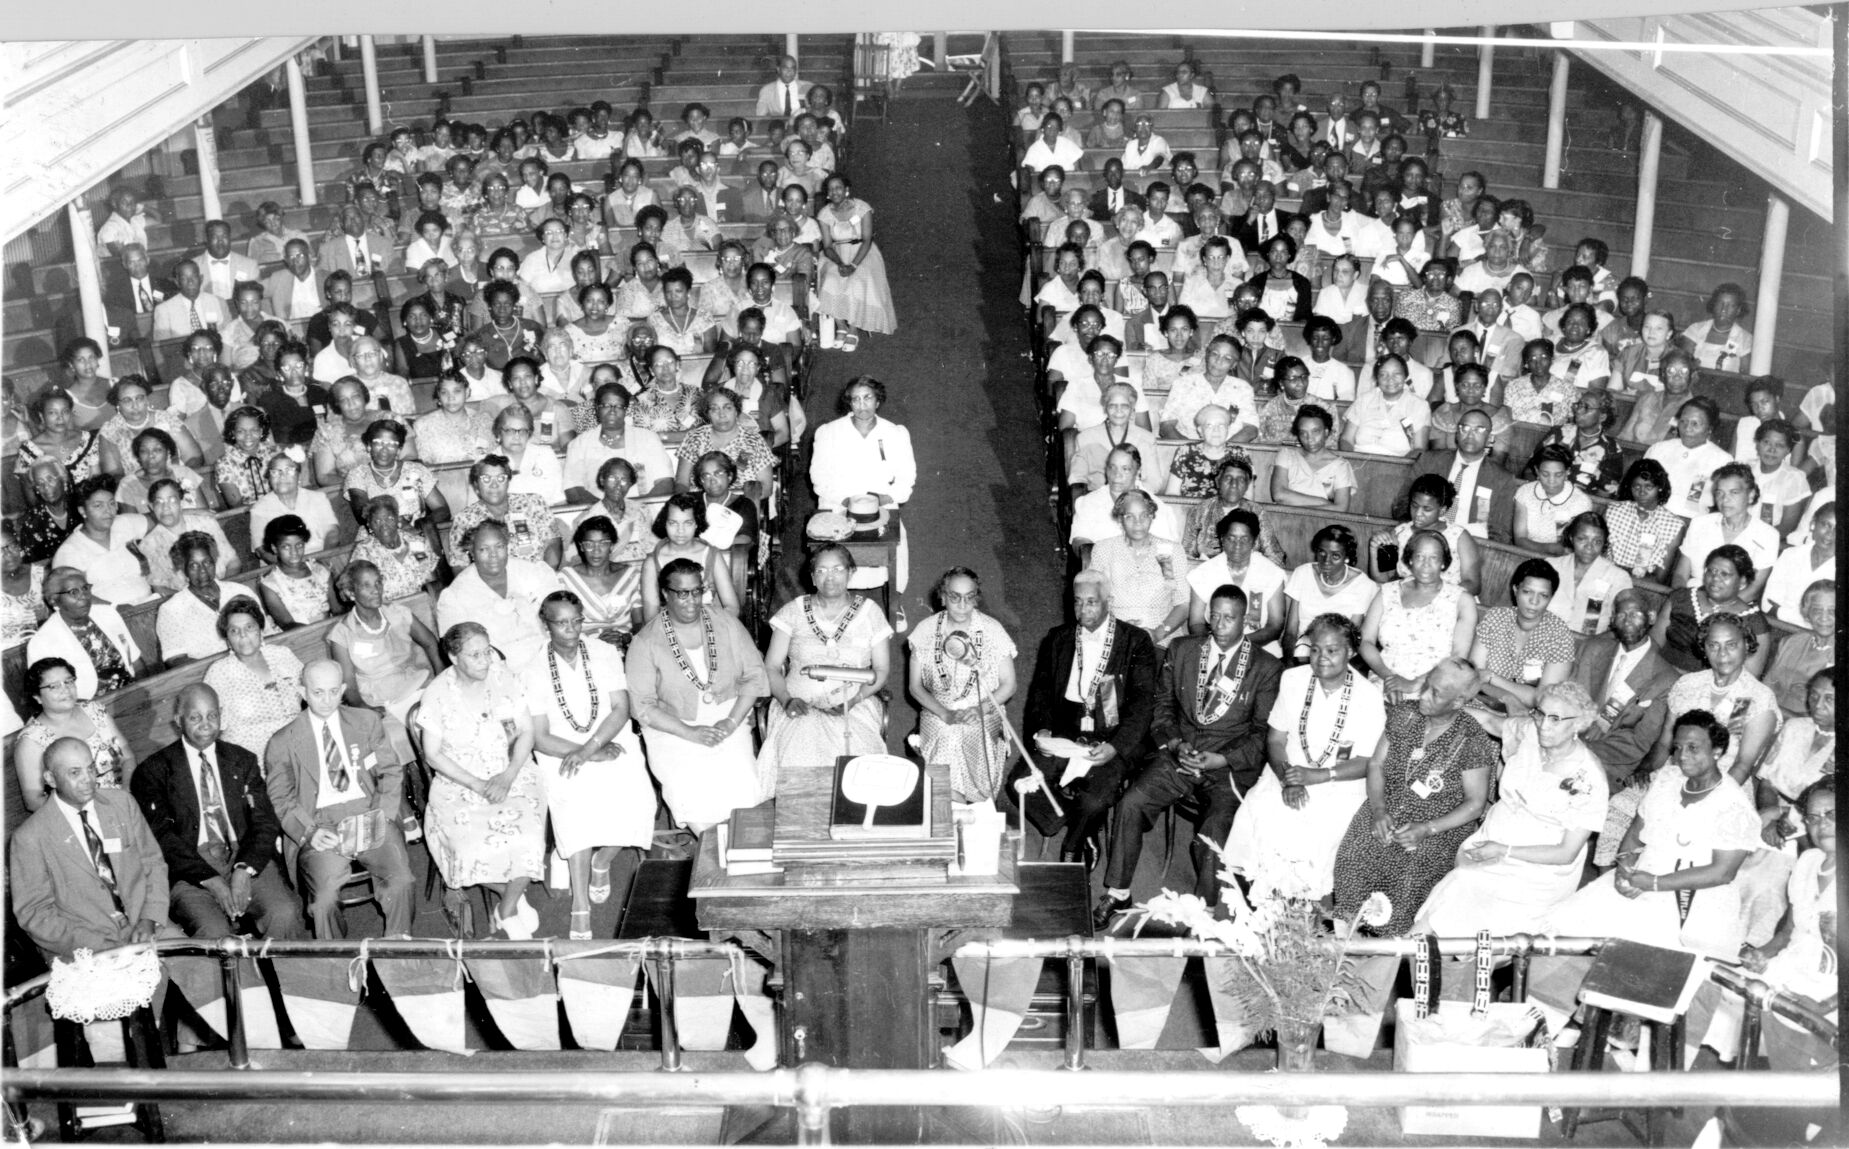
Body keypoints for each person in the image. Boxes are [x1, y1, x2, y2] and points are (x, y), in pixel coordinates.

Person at [1531, 710, 1760, 1023]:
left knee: (1635, 945)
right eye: (1677, 748)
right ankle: (1549, 1021)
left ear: (1717, 751)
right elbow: (1636, 833)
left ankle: (1612, 1034)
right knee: (1565, 927)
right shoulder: (1668, 779)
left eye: (1694, 748)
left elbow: (1723, 872)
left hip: (1691, 894)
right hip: (1641, 875)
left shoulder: (1734, 805)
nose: (1682, 755)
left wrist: (1652, 883)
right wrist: (1624, 871)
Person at [1095, 584, 1283, 925]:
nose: (1221, 624)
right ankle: (1118, 891)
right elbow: (1162, 708)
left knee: (1217, 826)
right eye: (1215, 615)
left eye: (1230, 618)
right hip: (1180, 753)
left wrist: (1222, 759)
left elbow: (1262, 734)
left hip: (1227, 765)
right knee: (1131, 802)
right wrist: (1175, 744)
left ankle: (1205, 911)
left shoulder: (1266, 667)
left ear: (1246, 621)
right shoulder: (1182, 650)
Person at [1416, 680, 1608, 939]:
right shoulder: (1530, 732)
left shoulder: (1588, 778)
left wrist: (1504, 851)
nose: (1544, 725)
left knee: (1455, 896)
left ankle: (1395, 962)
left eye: (1556, 719)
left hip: (1537, 871)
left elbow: (1566, 853)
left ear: (1578, 724)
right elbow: (1487, 720)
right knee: (1450, 908)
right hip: (1490, 842)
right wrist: (1437, 706)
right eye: (1540, 714)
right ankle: (1409, 963)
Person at [1224, 613, 1387, 900]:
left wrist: (1319, 776)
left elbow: (1370, 763)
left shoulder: (1368, 696)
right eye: (1314, 649)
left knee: (1312, 832)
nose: (1321, 657)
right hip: (1287, 772)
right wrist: (1289, 779)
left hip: (1341, 784)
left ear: (1350, 652)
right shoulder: (1293, 679)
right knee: (1257, 812)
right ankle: (1258, 906)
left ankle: (1298, 911)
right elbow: (1275, 738)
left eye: (1332, 650)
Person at [519, 592, 652, 940]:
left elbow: (620, 709)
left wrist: (594, 745)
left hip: (611, 737)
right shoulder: (531, 669)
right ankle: (580, 903)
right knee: (576, 808)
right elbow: (540, 736)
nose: (571, 629)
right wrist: (585, 754)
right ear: (545, 624)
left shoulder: (605, 652)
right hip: (561, 750)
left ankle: (603, 861)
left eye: (577, 621)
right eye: (561, 622)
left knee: (640, 804)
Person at [130, 684, 305, 941]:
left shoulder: (242, 760)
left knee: (284, 912)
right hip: (190, 869)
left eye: (212, 716)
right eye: (195, 717)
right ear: (178, 720)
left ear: (221, 716)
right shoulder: (153, 771)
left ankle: (291, 980)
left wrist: (244, 870)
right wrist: (210, 879)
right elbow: (161, 838)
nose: (205, 724)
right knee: (214, 936)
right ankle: (245, 982)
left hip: (243, 855)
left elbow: (264, 822)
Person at [1685, 776, 1836, 1072]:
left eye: (1832, 814)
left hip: (1828, 993)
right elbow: (1789, 932)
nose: (1821, 825)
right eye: (1813, 818)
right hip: (1789, 970)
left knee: (1779, 1029)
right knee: (1704, 984)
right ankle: (1670, 1089)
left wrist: (1825, 1008)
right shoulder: (1808, 862)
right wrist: (1761, 954)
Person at [1012, 570, 1157, 866]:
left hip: (1111, 736)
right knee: (1018, 783)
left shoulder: (1136, 641)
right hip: (1066, 731)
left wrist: (1116, 746)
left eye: (1092, 602)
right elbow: (1040, 693)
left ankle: (1074, 846)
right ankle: (1081, 823)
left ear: (1108, 602)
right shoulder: (1058, 638)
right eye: (1077, 602)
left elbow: (1142, 706)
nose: (1083, 609)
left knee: (1094, 800)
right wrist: (1042, 730)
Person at [265, 659, 415, 940]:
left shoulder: (366, 721)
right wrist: (309, 832)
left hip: (368, 811)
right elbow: (281, 798)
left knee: (401, 881)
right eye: (318, 692)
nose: (327, 700)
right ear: (302, 691)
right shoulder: (282, 741)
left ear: (344, 689)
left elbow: (390, 771)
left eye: (334, 691)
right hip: (319, 822)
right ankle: (337, 956)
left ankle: (398, 947)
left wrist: (380, 815)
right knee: (323, 901)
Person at [415, 624, 545, 939]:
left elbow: (527, 731)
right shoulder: (437, 693)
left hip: (512, 770)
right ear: (452, 657)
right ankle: (511, 896)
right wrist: (475, 784)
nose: (486, 660)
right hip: (460, 779)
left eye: (487, 651)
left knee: (528, 838)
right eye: (475, 655)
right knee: (468, 845)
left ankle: (507, 907)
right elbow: (432, 755)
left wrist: (509, 774)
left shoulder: (504, 677)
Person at [626, 558, 769, 832]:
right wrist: (689, 733)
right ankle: (711, 855)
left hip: (728, 716)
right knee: (690, 790)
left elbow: (754, 676)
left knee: (743, 785)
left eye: (696, 591)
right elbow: (643, 707)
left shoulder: (726, 623)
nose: (691, 600)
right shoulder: (646, 641)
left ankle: (741, 853)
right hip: (671, 727)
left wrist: (731, 721)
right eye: (682, 593)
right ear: (665, 594)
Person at [10, 736, 175, 961]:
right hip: (84, 949)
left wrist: (149, 919)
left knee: (203, 980)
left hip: (144, 927)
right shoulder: (29, 837)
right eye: (75, 773)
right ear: (51, 779)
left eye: (91, 768)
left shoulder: (122, 803)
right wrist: (96, 946)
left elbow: (153, 863)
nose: (88, 779)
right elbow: (34, 914)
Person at [760, 545, 895, 777]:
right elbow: (771, 666)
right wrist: (786, 700)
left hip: (853, 705)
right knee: (799, 761)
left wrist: (855, 700)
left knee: (857, 766)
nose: (829, 577)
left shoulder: (871, 612)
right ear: (812, 577)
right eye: (821, 571)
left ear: (851, 572)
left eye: (837, 569)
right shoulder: (793, 611)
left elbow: (881, 670)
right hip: (798, 705)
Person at [908, 568, 1019, 805]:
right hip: (940, 707)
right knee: (947, 738)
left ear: (976, 598)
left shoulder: (992, 630)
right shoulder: (925, 630)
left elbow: (1009, 685)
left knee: (973, 734)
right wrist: (944, 713)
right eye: (955, 596)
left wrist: (981, 708)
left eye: (969, 597)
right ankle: (951, 806)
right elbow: (915, 687)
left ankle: (978, 803)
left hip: (983, 707)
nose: (962, 604)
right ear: (943, 597)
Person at [326, 559, 441, 763]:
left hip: (416, 686)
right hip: (381, 702)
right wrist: (365, 709)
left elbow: (431, 643)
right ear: (351, 593)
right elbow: (349, 688)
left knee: (446, 722)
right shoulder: (342, 634)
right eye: (366, 585)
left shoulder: (398, 613)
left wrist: (443, 680)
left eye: (378, 582)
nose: (376, 590)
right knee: (391, 741)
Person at [1652, 612, 1782, 789]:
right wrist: (1647, 772)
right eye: (1713, 645)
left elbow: (1742, 766)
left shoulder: (1757, 698)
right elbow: (1664, 743)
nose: (1722, 654)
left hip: (1725, 786)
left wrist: (1703, 798)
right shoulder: (1688, 684)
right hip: (1673, 775)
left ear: (1746, 645)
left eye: (1731, 645)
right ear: (1704, 649)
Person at [1569, 588, 1681, 790]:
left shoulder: (1666, 679)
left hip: (1610, 766)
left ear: (1651, 617)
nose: (1628, 620)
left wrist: (1581, 751)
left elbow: (1639, 742)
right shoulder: (1591, 649)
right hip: (1566, 742)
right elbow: (1568, 701)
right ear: (1612, 620)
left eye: (1636, 614)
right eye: (1621, 614)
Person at [13, 656, 135, 814]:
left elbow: (127, 756)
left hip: (123, 800)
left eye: (69, 681)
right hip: (81, 815)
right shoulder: (31, 740)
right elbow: (33, 801)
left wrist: (125, 792)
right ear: (37, 697)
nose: (65, 690)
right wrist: (89, 810)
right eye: (54, 686)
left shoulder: (94, 711)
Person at [437, 519, 559, 669]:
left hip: (548, 657)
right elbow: (458, 652)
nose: (493, 555)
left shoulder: (532, 572)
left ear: (507, 546)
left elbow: (559, 614)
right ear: (472, 553)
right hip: (497, 669)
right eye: (484, 549)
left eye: (499, 547)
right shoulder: (456, 596)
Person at [1393, 407, 1520, 543]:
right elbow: (1403, 504)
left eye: (1479, 430)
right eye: (1464, 428)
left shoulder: (1503, 479)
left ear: (1489, 439)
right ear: (1456, 435)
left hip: (1472, 543)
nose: (1470, 435)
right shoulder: (1429, 461)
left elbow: (1500, 531)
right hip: (1424, 537)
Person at [1651, 545, 1772, 676]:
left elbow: (1748, 679)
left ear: (1742, 581)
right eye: (1711, 571)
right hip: (1660, 676)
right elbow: (1652, 646)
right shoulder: (1680, 598)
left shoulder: (1755, 623)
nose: (1715, 578)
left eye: (1724, 574)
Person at [205, 598, 304, 756]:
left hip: (298, 746)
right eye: (234, 631)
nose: (242, 635)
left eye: (249, 627)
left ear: (260, 629)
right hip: (251, 759)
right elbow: (210, 725)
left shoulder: (282, 654)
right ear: (227, 639)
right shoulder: (219, 673)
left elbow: (310, 693)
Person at [27, 567, 144, 700]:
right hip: (89, 708)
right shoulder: (42, 642)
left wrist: (147, 691)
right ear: (53, 600)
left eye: (85, 588)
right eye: (73, 592)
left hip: (133, 693)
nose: (83, 596)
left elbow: (136, 662)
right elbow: (53, 697)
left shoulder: (108, 614)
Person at [1672, 463, 1780, 602]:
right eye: (1719, 493)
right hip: (1692, 599)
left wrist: (1715, 610)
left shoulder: (1768, 535)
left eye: (1734, 492)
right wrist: (1684, 601)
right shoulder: (1699, 524)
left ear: (1751, 495)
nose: (1725, 499)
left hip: (1734, 608)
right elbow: (1680, 575)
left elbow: (1753, 590)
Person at [155, 531, 263, 666]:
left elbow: (265, 635)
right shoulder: (171, 609)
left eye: (207, 562)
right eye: (194, 565)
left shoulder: (240, 592)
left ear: (215, 561)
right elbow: (175, 660)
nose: (203, 571)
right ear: (183, 568)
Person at [444, 454, 564, 570]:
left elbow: (553, 544)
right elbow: (459, 566)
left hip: (540, 580)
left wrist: (544, 578)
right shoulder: (464, 519)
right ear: (476, 485)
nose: (494, 485)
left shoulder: (534, 503)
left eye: (501, 478)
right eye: (486, 479)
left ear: (508, 482)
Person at [815, 173, 898, 341]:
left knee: (856, 282)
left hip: (862, 252)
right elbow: (828, 246)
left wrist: (853, 265)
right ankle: (841, 326)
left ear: (846, 190)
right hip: (836, 254)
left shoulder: (862, 208)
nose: (835, 192)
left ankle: (853, 328)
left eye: (838, 188)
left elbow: (867, 240)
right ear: (827, 194)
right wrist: (840, 263)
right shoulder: (824, 214)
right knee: (830, 279)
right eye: (831, 189)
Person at [1281, 526, 1379, 662]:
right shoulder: (1302, 573)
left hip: (1338, 659)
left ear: (1347, 558)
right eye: (1322, 552)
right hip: (1301, 653)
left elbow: (1351, 641)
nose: (1326, 561)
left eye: (1335, 556)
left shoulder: (1364, 585)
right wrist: (1288, 663)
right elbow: (1291, 631)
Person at [53, 475, 155, 606]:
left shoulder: (124, 523)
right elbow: (70, 595)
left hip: (149, 604)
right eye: (98, 506)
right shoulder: (70, 551)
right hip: (108, 616)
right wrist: (113, 609)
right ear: (82, 510)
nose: (108, 511)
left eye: (112, 503)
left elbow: (162, 516)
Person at [1181, 455, 1285, 565]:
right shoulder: (1199, 511)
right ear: (1218, 481)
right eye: (1228, 478)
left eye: (1240, 480)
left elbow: (1275, 556)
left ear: (1247, 484)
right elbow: (1186, 555)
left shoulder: (1257, 512)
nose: (1234, 484)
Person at [1546, 511, 1634, 640]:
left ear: (1604, 542)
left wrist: (1595, 642)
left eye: (1597, 541)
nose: (1589, 547)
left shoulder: (1617, 576)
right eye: (1582, 539)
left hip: (1587, 648)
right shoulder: (1551, 566)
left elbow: (1625, 621)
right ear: (1571, 538)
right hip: (1544, 640)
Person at [1645, 396, 1734, 522]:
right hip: (1651, 518)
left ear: (1710, 428)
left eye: (1695, 423)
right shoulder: (1658, 450)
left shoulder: (1722, 460)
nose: (1687, 428)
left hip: (1693, 525)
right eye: (1683, 421)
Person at [350, 495, 441, 603]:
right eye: (377, 521)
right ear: (369, 525)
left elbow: (431, 580)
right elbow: (363, 594)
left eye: (389, 518)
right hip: (388, 611)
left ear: (398, 519)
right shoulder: (364, 552)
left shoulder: (415, 543)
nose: (384, 525)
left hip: (423, 605)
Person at [1605, 458, 1683, 583]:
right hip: (1606, 577)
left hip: (1642, 584)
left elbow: (1660, 577)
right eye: (1636, 486)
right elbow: (1600, 556)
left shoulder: (1673, 525)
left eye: (1649, 486)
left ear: (1660, 488)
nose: (1641, 492)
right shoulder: (1614, 511)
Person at [250, 452, 342, 559]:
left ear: (299, 476)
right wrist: (291, 570)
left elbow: (333, 534)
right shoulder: (259, 509)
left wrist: (323, 562)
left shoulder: (318, 498)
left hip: (322, 557)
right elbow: (262, 551)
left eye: (289, 471)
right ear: (269, 479)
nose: (282, 476)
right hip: (281, 566)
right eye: (275, 472)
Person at [1512, 443, 1594, 557]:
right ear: (1537, 471)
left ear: (1567, 472)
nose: (1551, 481)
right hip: (1524, 555)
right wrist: (1550, 548)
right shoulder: (1525, 492)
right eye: (1545, 474)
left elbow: (1572, 548)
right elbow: (1520, 539)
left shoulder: (1581, 502)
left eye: (1558, 475)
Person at [1270, 404, 1356, 510]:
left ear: (1326, 432)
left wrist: (1294, 501)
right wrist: (1323, 502)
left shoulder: (1341, 465)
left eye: (1315, 432)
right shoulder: (1287, 455)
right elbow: (1279, 495)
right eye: (1303, 433)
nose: (1309, 438)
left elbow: (1341, 508)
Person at [1764, 505, 1835, 628]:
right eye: (1825, 524)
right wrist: (1811, 621)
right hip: (1780, 628)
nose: (1830, 534)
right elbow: (1767, 604)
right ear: (1813, 524)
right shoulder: (1790, 555)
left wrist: (1781, 612)